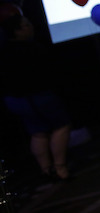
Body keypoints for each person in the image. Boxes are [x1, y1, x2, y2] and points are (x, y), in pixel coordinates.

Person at [1, 14, 72, 180]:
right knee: (61, 126)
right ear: (16, 31)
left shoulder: (4, 52)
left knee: (37, 132)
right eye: (25, 25)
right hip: (39, 96)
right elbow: (49, 72)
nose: (30, 27)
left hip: (15, 100)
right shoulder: (32, 48)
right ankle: (60, 168)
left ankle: (46, 170)